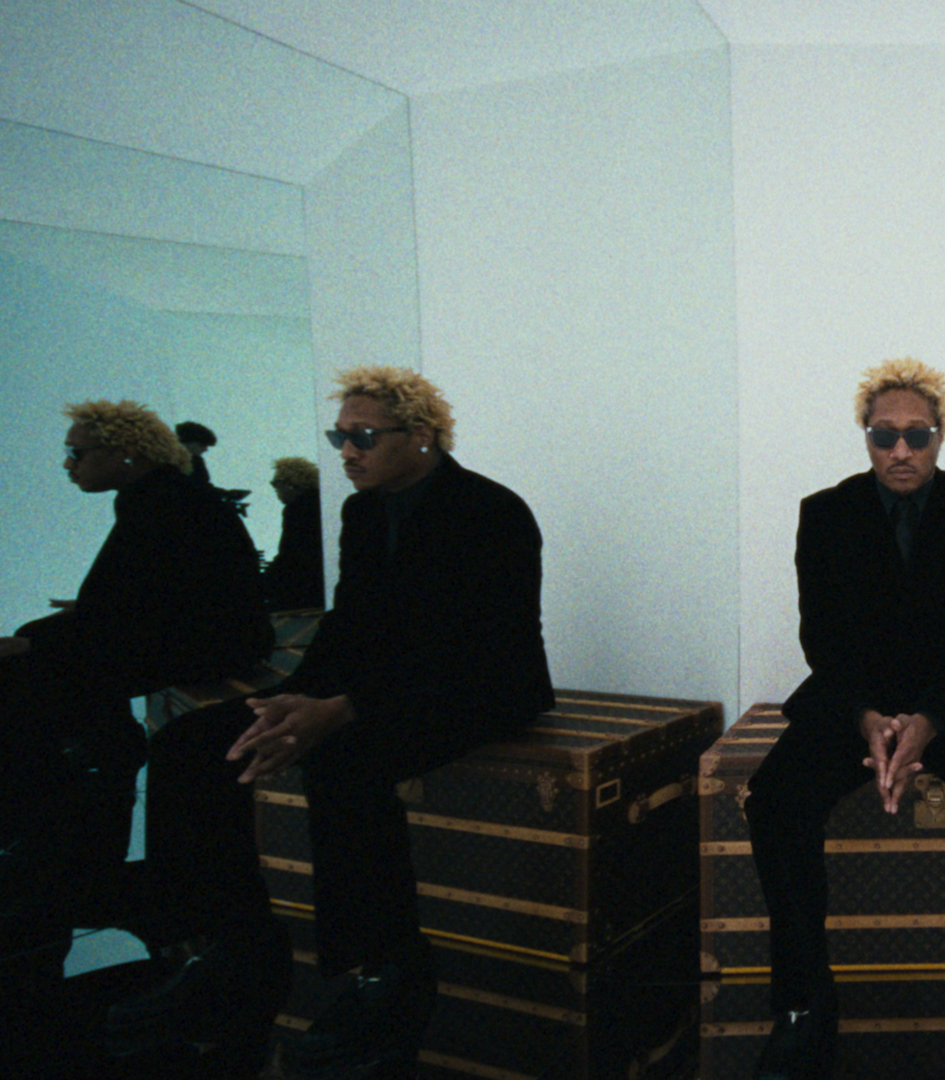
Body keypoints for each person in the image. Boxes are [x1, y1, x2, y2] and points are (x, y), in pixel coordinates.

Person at [106, 367, 554, 1078]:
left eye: (363, 437)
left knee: (345, 759)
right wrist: (293, 699)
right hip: (385, 683)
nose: (346, 451)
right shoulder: (363, 511)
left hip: (480, 686)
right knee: (192, 742)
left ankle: (387, 969)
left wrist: (342, 709)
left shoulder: (489, 510)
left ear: (422, 436)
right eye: (338, 435)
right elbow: (351, 624)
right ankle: (230, 942)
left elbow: (469, 645)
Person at [745, 358, 945, 1080]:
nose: (901, 450)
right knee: (775, 800)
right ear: (867, 437)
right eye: (885, 436)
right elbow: (821, 637)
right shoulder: (825, 513)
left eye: (918, 435)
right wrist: (867, 719)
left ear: (941, 436)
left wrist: (930, 722)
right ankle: (802, 1005)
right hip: (853, 703)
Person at [0, 400, 268, 1070]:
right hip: (193, 664)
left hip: (204, 669)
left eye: (77, 452)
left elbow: (142, 618)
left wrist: (42, 643)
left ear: (125, 452)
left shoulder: (163, 508)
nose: (68, 465)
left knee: (27, 669)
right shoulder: (165, 502)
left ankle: (59, 849)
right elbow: (135, 607)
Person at [261, 456, 325, 610]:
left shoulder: (297, 509)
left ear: (290, 484)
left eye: (276, 483)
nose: (275, 489)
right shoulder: (322, 503)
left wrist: (261, 583)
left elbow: (291, 556)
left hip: (303, 591)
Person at [175, 420, 218, 485]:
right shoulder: (168, 464)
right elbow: (199, 488)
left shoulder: (196, 461)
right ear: (189, 442)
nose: (205, 449)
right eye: (202, 445)